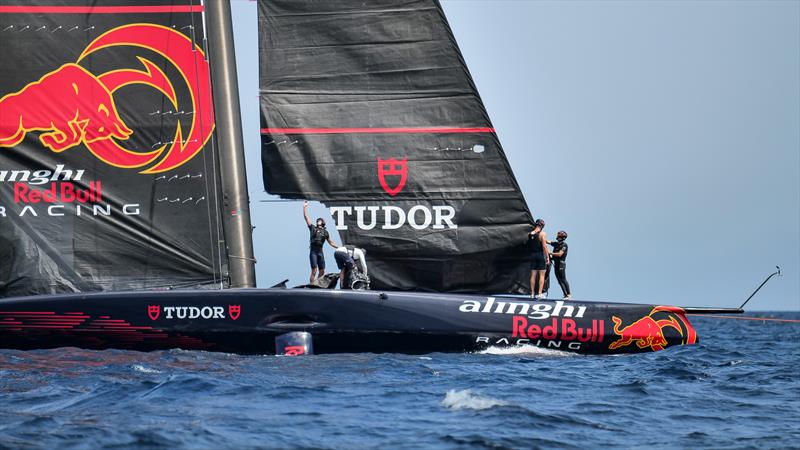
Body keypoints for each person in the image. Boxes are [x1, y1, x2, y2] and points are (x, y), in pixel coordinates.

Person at [303, 201, 338, 284]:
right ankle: (312, 284)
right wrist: (304, 207)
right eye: (317, 220)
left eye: (320, 220)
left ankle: (318, 284)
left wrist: (338, 247)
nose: (318, 221)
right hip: (313, 251)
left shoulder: (325, 232)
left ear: (323, 223)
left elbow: (331, 242)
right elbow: (306, 217)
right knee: (314, 269)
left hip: (320, 252)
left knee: (322, 271)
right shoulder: (313, 228)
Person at [527, 219, 549, 299]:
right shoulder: (542, 234)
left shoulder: (530, 234)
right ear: (542, 226)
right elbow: (544, 246)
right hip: (540, 255)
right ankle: (539, 293)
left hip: (533, 255)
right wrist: (547, 257)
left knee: (533, 275)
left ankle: (532, 294)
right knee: (542, 275)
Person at [550, 230, 571, 299]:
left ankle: (569, 294)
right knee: (559, 281)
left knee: (563, 279)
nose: (557, 236)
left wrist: (550, 253)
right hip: (556, 264)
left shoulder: (564, 245)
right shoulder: (556, 244)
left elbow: (560, 254)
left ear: (561, 237)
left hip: (561, 264)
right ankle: (565, 295)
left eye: (558, 235)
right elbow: (548, 242)